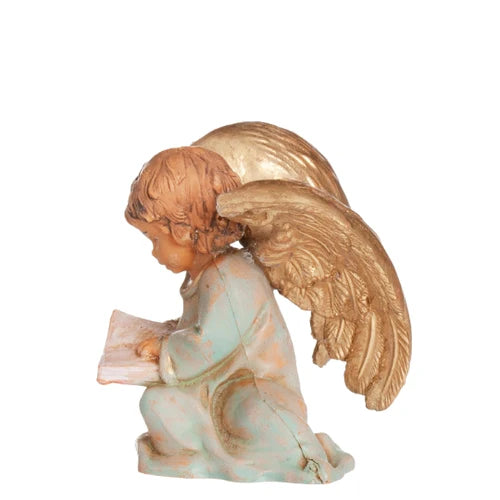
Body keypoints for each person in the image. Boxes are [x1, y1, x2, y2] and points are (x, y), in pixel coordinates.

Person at [124, 146, 354, 483]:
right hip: (217, 385)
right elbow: (201, 332)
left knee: (250, 415)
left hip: (253, 389)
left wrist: (164, 348)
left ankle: (301, 453)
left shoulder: (230, 278)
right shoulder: (205, 273)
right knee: (157, 402)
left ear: (186, 230)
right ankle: (204, 454)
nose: (154, 252)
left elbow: (208, 345)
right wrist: (168, 335)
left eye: (155, 239)